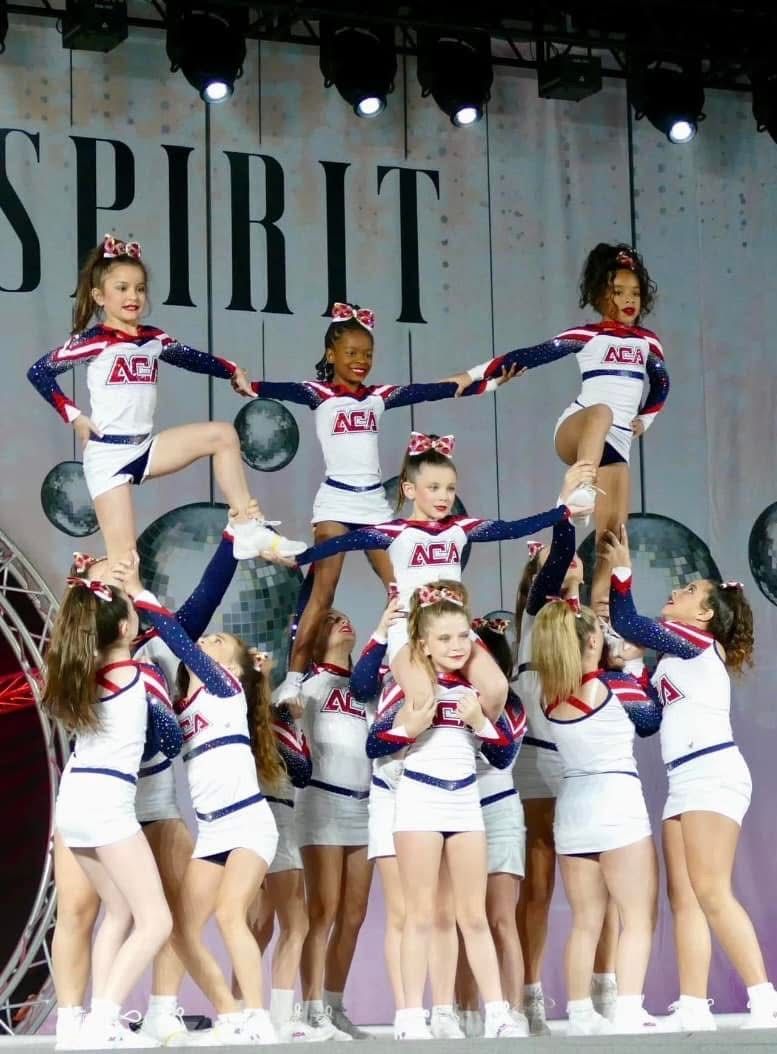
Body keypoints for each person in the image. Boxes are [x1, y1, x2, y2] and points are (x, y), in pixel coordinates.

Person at [259, 302, 518, 708]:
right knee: (322, 591)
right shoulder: (319, 393)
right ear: (332, 354)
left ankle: (414, 660)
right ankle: (293, 679)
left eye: (367, 354)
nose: (361, 361)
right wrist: (244, 383)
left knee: (403, 587)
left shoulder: (380, 396)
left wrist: (487, 381)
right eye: (351, 353)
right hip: (335, 500)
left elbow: (438, 388)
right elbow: (267, 387)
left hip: (374, 506)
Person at [52, 515, 245, 1047]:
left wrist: (233, 543)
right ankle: (89, 1019)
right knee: (105, 913)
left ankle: (133, 1015)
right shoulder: (119, 666)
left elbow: (198, 608)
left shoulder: (86, 669)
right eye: (111, 580)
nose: (123, 582)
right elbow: (165, 734)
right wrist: (190, 714)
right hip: (110, 798)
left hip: (117, 795)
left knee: (136, 911)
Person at [27, 234, 303, 567]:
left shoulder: (153, 339)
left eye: (140, 288)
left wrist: (231, 369)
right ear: (99, 296)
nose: (133, 296)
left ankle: (246, 525)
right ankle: (105, 614)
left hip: (145, 449)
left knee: (223, 435)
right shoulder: (93, 341)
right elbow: (39, 371)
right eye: (122, 288)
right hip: (108, 457)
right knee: (125, 562)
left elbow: (193, 359)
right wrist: (75, 416)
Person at [604, 525, 777, 1031]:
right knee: (686, 898)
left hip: (712, 772)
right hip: (684, 779)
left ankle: (764, 996)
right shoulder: (671, 663)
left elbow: (628, 620)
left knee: (711, 889)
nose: (677, 590)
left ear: (703, 615)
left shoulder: (699, 645)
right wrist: (624, 676)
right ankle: (694, 1003)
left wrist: (620, 572)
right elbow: (648, 723)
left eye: (689, 592)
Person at [294, 437, 594, 723]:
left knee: (497, 689)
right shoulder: (392, 532)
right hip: (408, 628)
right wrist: (293, 557)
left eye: (450, 489)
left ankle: (476, 748)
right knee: (423, 699)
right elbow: (338, 544)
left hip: (454, 627)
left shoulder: (462, 528)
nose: (443, 496)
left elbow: (514, 528)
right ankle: (392, 767)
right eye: (433, 487)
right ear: (410, 490)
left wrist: (563, 509)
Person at [448, 243, 669, 609]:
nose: (629, 300)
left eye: (635, 293)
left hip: (617, 441)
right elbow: (528, 355)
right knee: (601, 412)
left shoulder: (648, 342)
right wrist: (473, 376)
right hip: (580, 427)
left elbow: (661, 385)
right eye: (618, 292)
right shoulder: (587, 336)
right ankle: (581, 485)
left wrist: (646, 418)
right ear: (599, 294)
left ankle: (601, 610)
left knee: (614, 533)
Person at [116, 554, 281, 1045]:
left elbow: (180, 640)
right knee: (180, 929)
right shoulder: (179, 705)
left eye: (218, 642)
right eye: (209, 638)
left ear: (230, 666)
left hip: (249, 824)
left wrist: (142, 594)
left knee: (231, 914)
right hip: (212, 830)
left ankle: (259, 1018)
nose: (208, 643)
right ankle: (229, 1014)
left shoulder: (226, 689)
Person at [368, 582, 524, 1040]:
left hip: (465, 804)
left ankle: (496, 1013)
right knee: (420, 914)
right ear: (423, 646)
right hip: (418, 801)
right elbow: (374, 744)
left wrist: (479, 722)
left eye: (463, 638)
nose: (456, 647)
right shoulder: (408, 688)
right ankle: (412, 1017)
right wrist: (408, 728)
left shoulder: (476, 694)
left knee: (472, 915)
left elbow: (500, 755)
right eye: (444, 639)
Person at [43, 578, 174, 1049]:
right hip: (106, 803)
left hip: (74, 801)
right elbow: (173, 635)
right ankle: (104, 1021)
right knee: (156, 921)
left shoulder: (83, 671)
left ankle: (82, 1027)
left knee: (118, 911)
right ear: (123, 626)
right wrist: (145, 597)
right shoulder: (139, 674)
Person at [532, 596, 662, 1035]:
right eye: (603, 633)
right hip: (616, 800)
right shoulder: (617, 686)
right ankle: (627, 1009)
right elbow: (649, 720)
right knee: (636, 916)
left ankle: (580, 1013)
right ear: (591, 640)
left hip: (574, 806)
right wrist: (634, 668)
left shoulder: (551, 696)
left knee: (585, 920)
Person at [512, 516, 618, 1033]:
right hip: (537, 758)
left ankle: (608, 988)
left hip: (587, 758)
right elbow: (559, 563)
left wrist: (614, 572)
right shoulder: (539, 619)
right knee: (540, 882)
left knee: (605, 878)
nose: (564, 566)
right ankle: (529, 994)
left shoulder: (590, 625)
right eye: (549, 566)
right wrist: (567, 515)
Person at [352, 598, 465, 1040]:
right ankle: (407, 1012)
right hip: (392, 794)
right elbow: (361, 687)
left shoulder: (454, 672)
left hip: (442, 794)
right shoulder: (389, 669)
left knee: (444, 910)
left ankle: (444, 1010)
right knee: (404, 912)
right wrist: (382, 631)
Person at [295, 609, 373, 1040]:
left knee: (354, 914)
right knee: (321, 911)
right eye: (331, 620)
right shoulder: (306, 687)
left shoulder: (367, 689)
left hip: (364, 807)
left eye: (347, 617)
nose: (343, 622)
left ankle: (333, 1003)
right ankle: (308, 1009)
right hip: (322, 802)